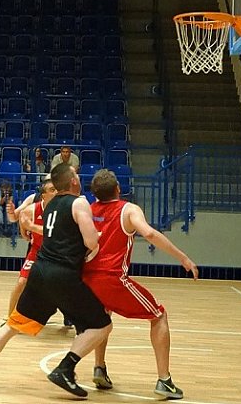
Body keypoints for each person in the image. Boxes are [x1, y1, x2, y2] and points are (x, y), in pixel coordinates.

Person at [0, 163, 112, 398]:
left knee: (12, 326)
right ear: (73, 181)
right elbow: (91, 242)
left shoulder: (48, 206)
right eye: (76, 175)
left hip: (40, 272)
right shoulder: (79, 203)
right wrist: (103, 234)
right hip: (63, 275)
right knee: (102, 325)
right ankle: (66, 368)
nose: (79, 178)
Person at [85, 169, 199, 399]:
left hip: (86, 278)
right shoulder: (128, 209)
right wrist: (183, 258)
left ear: (95, 193)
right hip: (112, 278)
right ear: (118, 189)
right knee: (158, 315)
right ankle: (164, 380)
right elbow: (150, 233)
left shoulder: (87, 210)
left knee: (103, 316)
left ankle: (99, 368)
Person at [4, 179, 56, 319]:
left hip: (57, 252)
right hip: (38, 250)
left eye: (56, 189)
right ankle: (10, 318)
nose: (56, 192)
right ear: (43, 195)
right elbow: (18, 216)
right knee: (22, 282)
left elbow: (55, 232)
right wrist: (22, 231)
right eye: (52, 190)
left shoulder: (63, 208)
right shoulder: (32, 208)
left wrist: (31, 227)